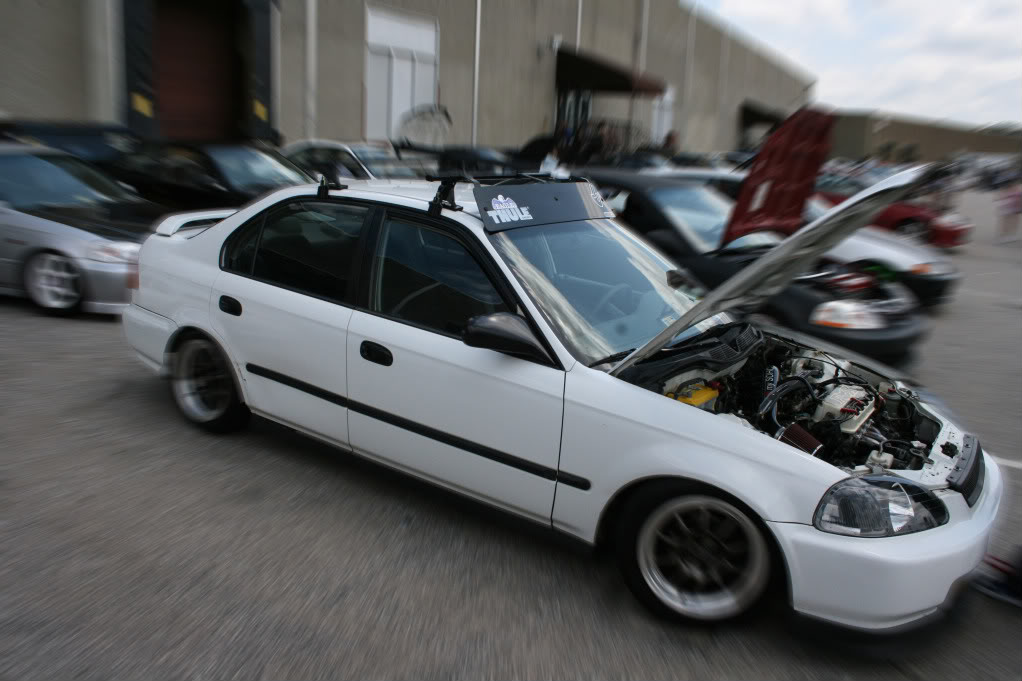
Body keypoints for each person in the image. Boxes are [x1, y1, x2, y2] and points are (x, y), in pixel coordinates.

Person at [995, 175, 1021, 244]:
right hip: (1010, 207)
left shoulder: (1006, 189)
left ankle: (1008, 235)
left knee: (1009, 221)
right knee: (1009, 221)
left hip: (1010, 207)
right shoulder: (1014, 189)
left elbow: (998, 198)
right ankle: (1007, 235)